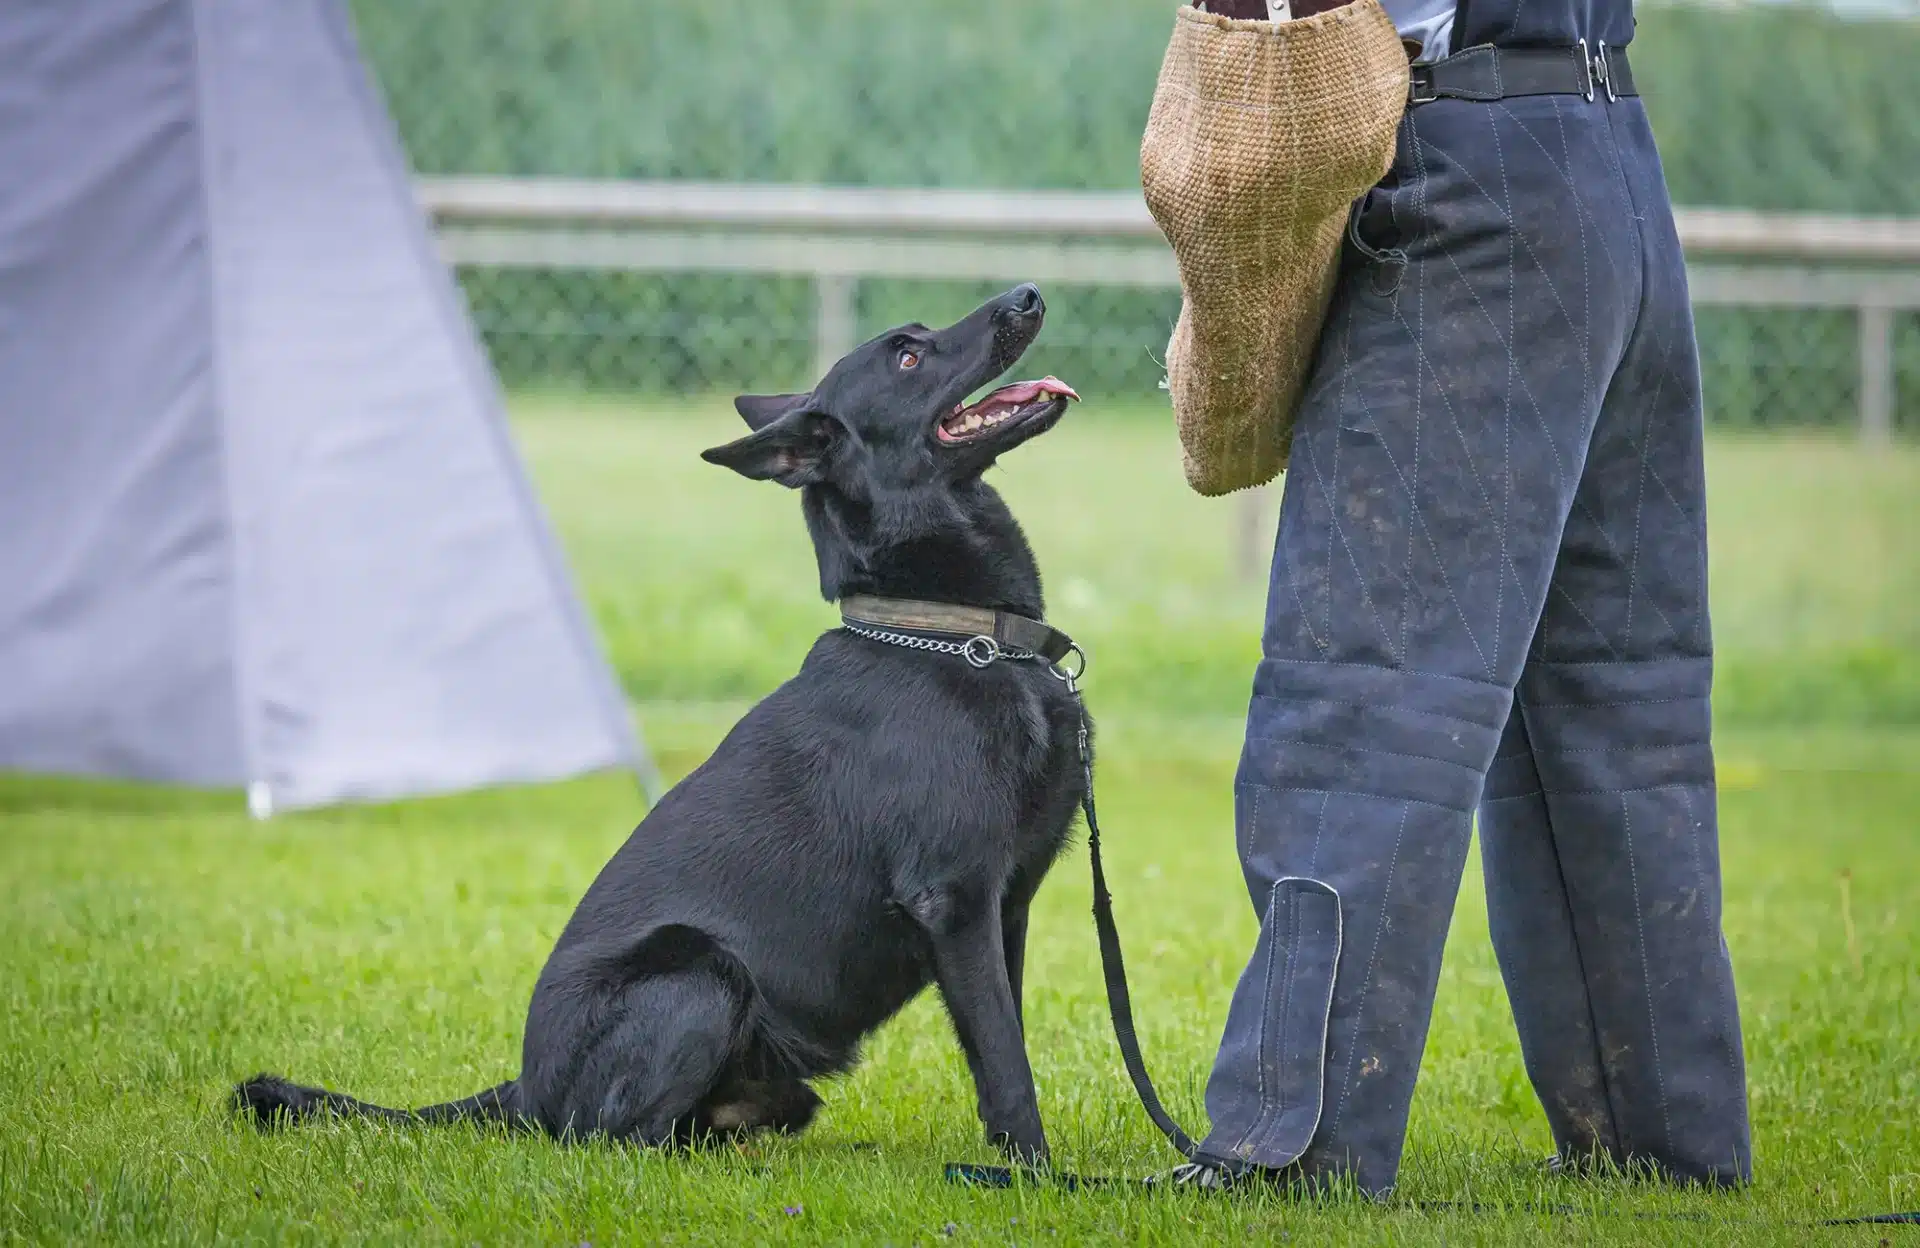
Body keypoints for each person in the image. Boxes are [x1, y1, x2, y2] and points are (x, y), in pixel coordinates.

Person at [1165, 0, 1755, 1195]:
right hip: (1607, 162)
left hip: (1466, 164)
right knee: (1610, 699)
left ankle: (1295, 1146)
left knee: (1364, 695)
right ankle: (1662, 1139)